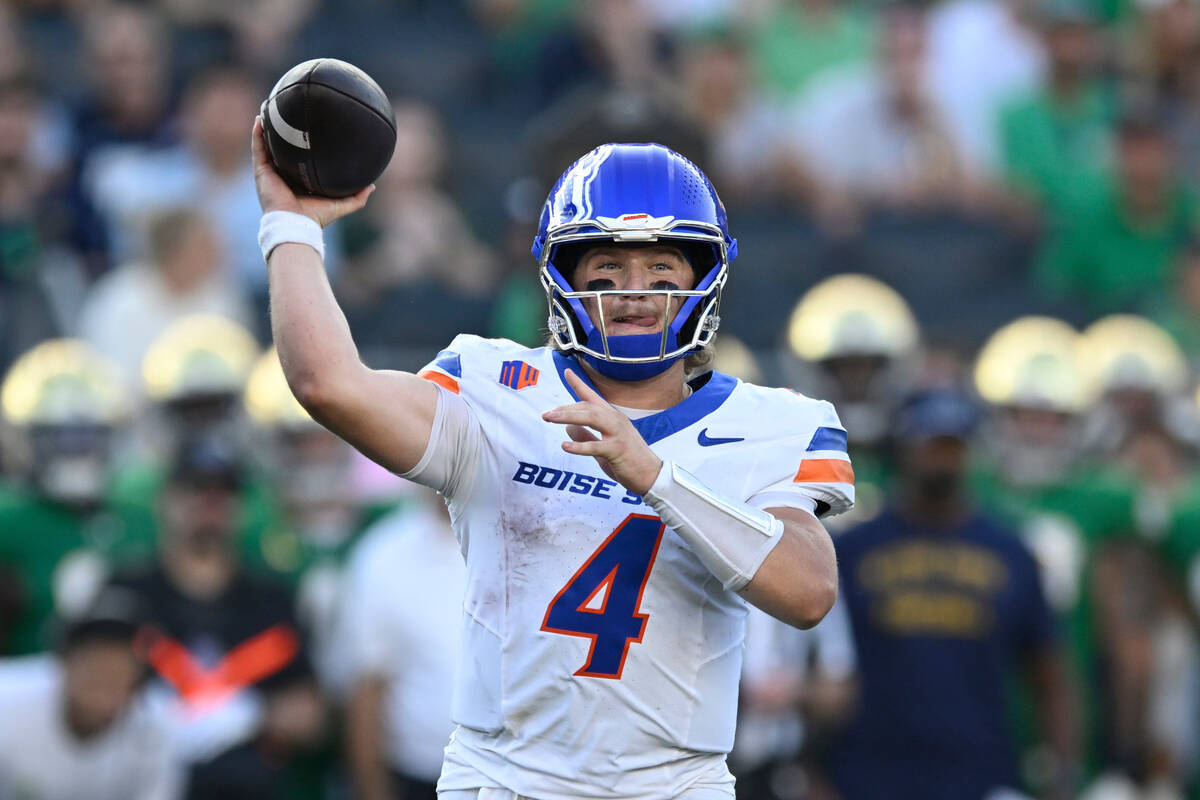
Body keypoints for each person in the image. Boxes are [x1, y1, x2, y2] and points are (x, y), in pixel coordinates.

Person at [252, 121, 853, 799]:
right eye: (607, 270)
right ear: (559, 278)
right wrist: (292, 227)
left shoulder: (773, 423)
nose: (634, 292)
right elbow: (329, 385)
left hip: (677, 785)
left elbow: (809, 593)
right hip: (505, 780)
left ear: (705, 278)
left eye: (661, 269)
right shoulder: (496, 389)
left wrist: (656, 478)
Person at [831, 388, 1078, 800]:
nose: (943, 457)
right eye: (931, 444)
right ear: (904, 448)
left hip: (981, 768)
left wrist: (1060, 774)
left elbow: (1049, 671)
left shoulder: (1010, 550)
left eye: (954, 445)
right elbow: (822, 667)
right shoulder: (855, 549)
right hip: (869, 770)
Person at [0, 603, 181, 800]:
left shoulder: (156, 728)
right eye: (96, 657)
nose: (108, 667)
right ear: (65, 662)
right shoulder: (8, 701)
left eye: (120, 667)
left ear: (138, 682)